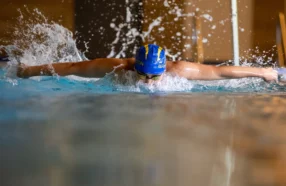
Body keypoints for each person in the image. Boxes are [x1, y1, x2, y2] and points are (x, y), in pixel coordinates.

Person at [17, 44, 278, 84]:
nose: (148, 82)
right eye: (144, 75)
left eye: (155, 77)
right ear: (135, 68)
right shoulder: (117, 68)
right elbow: (72, 68)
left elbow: (220, 72)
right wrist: (27, 71)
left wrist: (264, 72)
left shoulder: (178, 69)